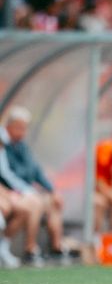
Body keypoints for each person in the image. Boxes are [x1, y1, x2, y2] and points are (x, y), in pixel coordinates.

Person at [1, 106, 65, 265]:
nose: (22, 132)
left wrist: (52, 190)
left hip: (21, 191)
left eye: (24, 128)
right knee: (33, 203)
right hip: (13, 191)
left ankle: (57, 246)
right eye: (18, 128)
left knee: (52, 201)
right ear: (8, 127)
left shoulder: (22, 146)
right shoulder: (5, 145)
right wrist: (26, 191)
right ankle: (30, 248)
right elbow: (7, 175)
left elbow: (36, 171)